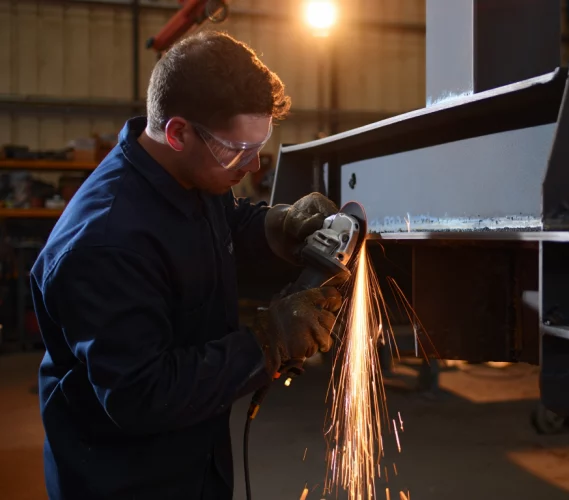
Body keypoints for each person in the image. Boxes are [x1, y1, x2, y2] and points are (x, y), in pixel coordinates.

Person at [30, 30, 341, 500]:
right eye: (238, 150)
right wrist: (267, 341)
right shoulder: (105, 243)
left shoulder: (192, 177)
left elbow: (225, 229)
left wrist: (279, 227)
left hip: (194, 459)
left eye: (260, 146)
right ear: (177, 132)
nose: (253, 167)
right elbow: (142, 395)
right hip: (127, 480)